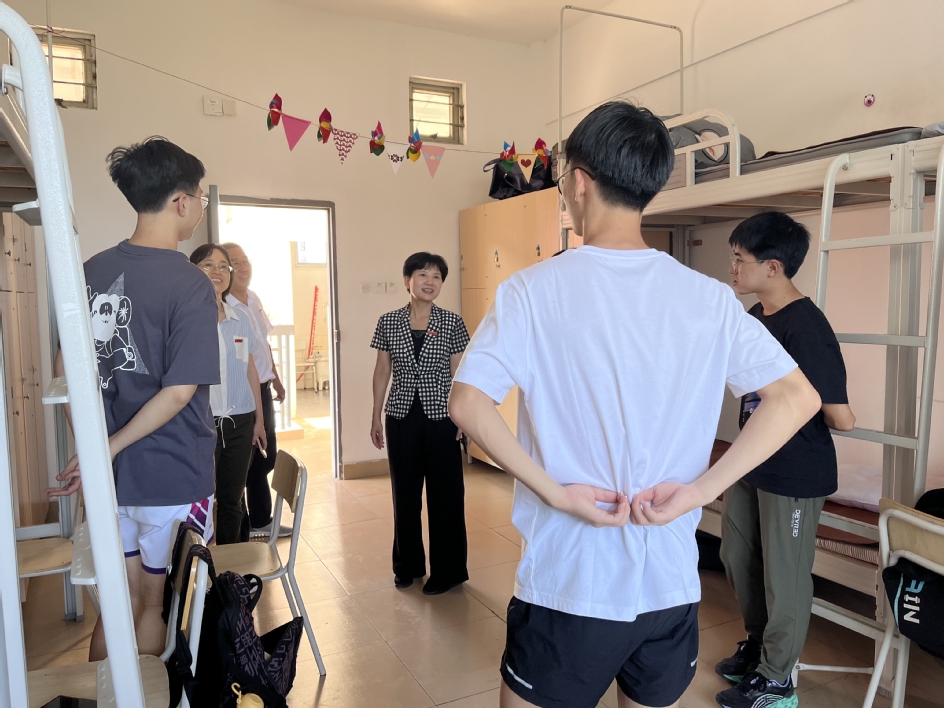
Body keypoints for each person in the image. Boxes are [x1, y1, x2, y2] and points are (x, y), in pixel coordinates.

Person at [447, 102, 822, 708]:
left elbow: (467, 404)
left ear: (578, 183)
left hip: (570, 582)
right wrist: (700, 492)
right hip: (669, 584)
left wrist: (555, 493)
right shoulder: (709, 298)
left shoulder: (532, 291)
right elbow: (796, 398)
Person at [47, 136, 219, 659]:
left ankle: (106, 694)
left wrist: (95, 450)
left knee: (117, 605)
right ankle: (144, 694)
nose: (199, 207)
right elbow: (179, 392)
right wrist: (107, 449)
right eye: (200, 197)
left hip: (111, 481)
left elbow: (63, 371)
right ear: (181, 201)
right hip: (173, 473)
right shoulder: (191, 283)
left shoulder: (92, 271)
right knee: (154, 606)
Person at [715, 212, 856, 708]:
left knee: (785, 576)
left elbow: (842, 418)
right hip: (753, 459)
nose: (732, 268)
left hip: (796, 471)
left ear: (773, 267)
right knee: (736, 557)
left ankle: (777, 680)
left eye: (740, 259)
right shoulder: (755, 317)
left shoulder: (807, 326)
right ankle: (759, 648)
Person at [370, 252, 471, 595]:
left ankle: (449, 571)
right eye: (423, 275)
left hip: (443, 417)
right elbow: (382, 370)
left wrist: (464, 416)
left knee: (446, 496)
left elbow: (460, 373)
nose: (430, 282)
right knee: (405, 496)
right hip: (401, 416)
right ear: (407, 281)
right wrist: (375, 414)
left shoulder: (452, 322)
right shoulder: (388, 322)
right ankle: (407, 566)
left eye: (437, 277)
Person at [190, 244, 267, 545]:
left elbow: (250, 370)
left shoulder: (240, 318)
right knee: (201, 501)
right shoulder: (187, 317)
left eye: (224, 266)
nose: (218, 271)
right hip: (201, 423)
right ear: (193, 270)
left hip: (240, 421)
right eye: (208, 265)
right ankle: (201, 565)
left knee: (232, 501)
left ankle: (228, 567)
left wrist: (259, 420)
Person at [222, 242, 291, 539]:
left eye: (244, 261)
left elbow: (263, 344)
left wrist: (275, 378)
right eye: (234, 263)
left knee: (265, 456)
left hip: (262, 387)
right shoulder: (224, 307)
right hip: (242, 394)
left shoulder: (253, 298)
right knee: (246, 460)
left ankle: (259, 520)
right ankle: (248, 524)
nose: (242, 267)